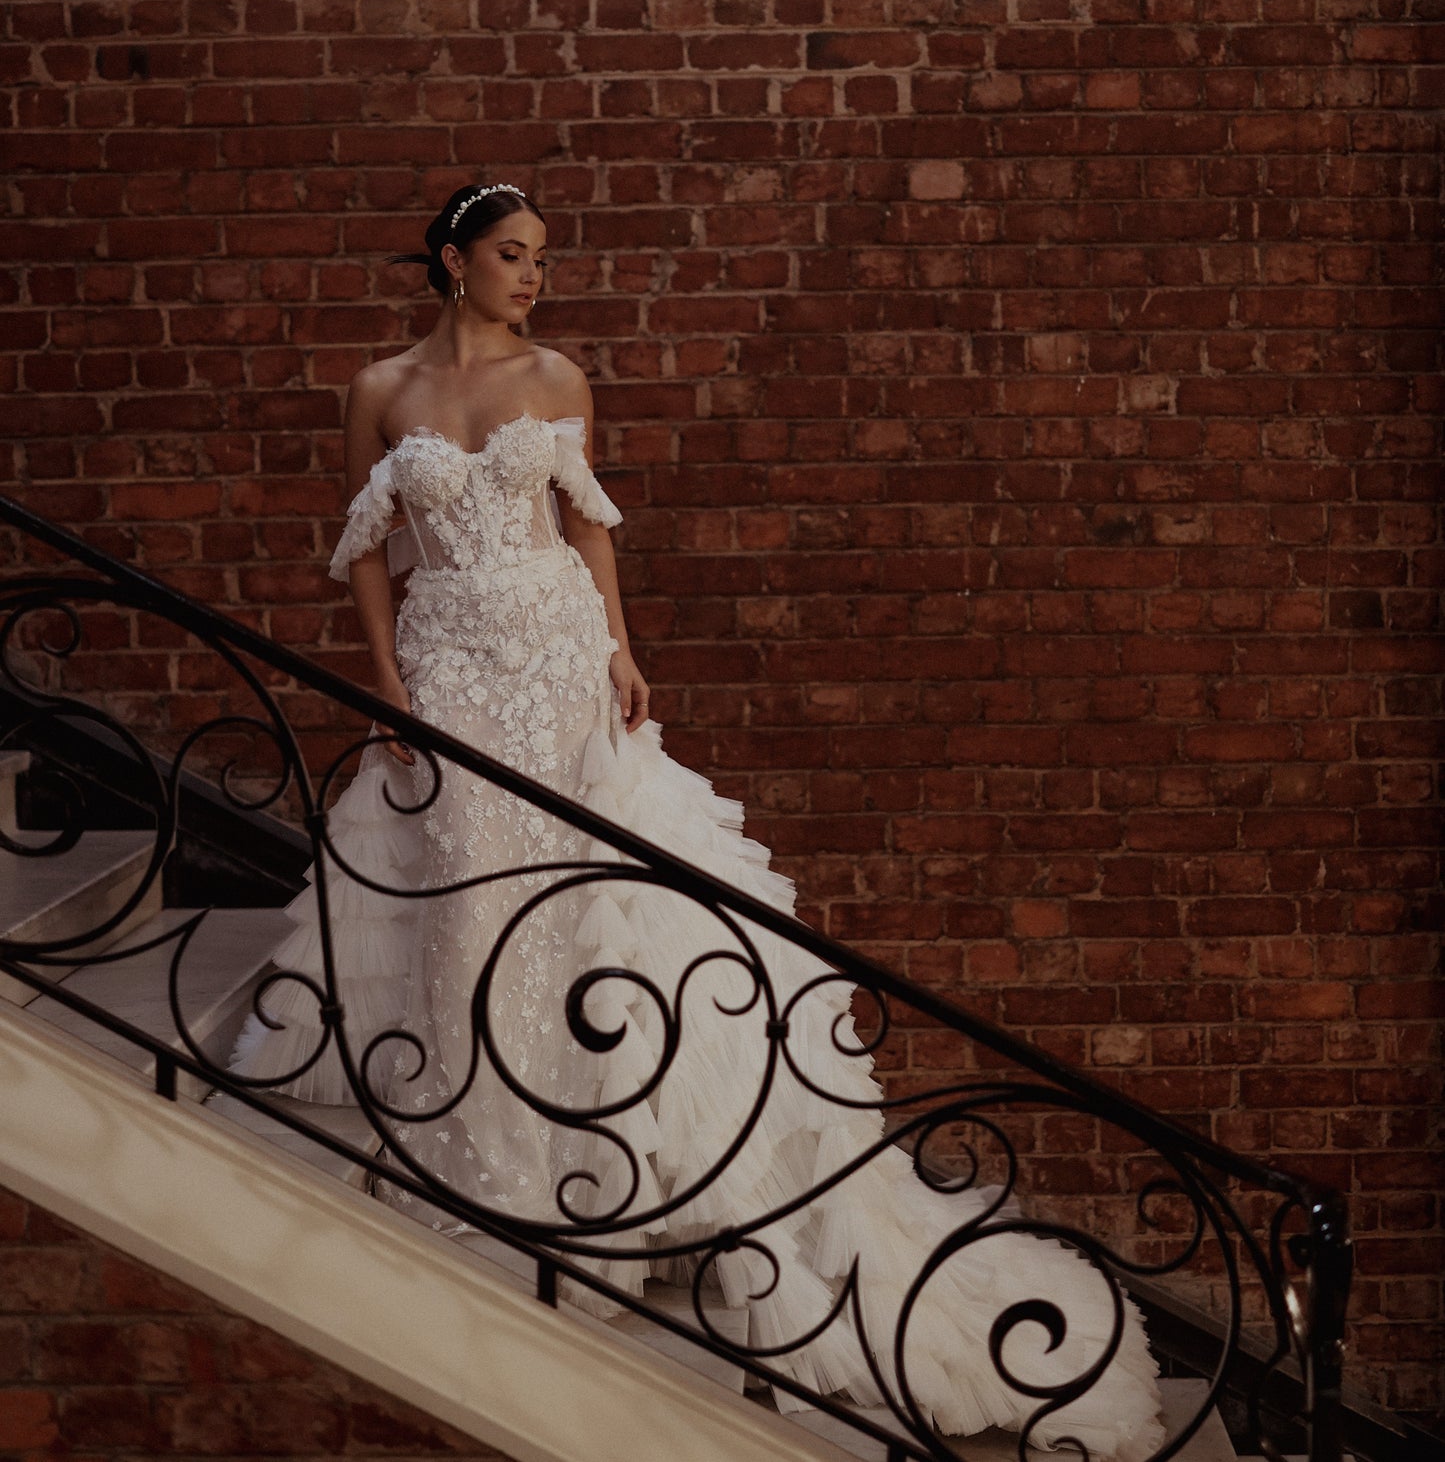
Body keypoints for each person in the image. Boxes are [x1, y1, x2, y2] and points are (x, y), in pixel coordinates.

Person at [233, 184, 1164, 1459]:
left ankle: (603, 1173)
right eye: (512, 258)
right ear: (453, 262)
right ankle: (485, 1153)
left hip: (557, 660)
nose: (534, 279)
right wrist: (385, 688)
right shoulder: (377, 390)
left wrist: (622, 650)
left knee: (585, 894)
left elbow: (585, 524)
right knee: (473, 904)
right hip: (447, 672)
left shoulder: (557, 376)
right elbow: (361, 548)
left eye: (542, 261)